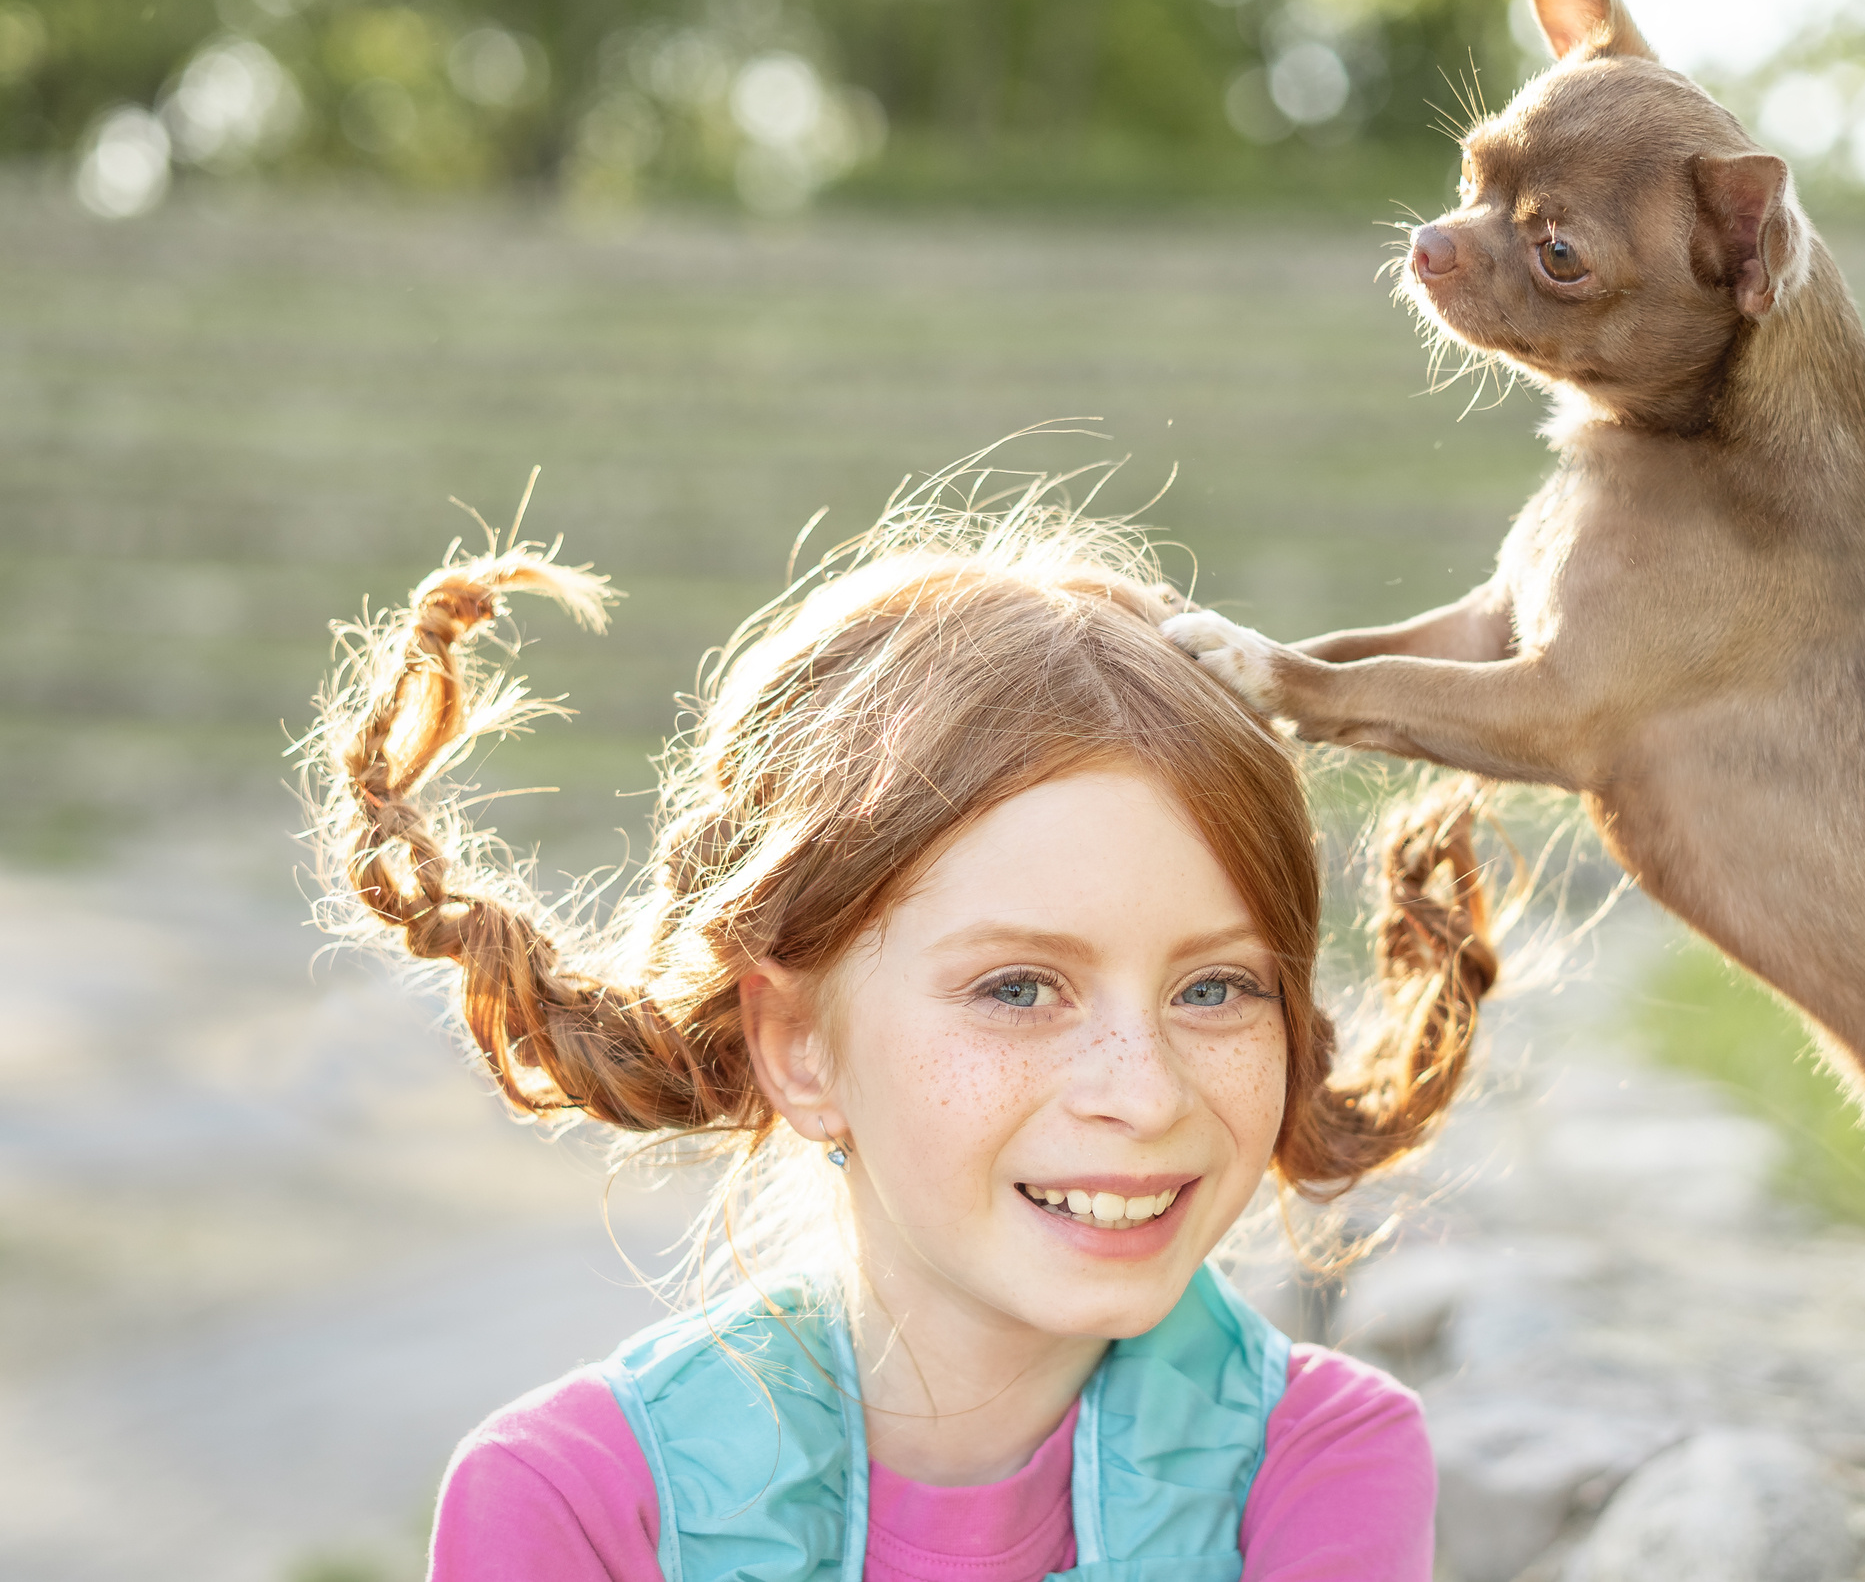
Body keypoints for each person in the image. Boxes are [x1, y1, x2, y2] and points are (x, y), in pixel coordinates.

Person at [303, 493, 1498, 1582]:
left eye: (1216, 988)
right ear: (799, 1047)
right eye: (1020, 989)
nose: (1143, 1095)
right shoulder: (572, 1508)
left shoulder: (1324, 1465)